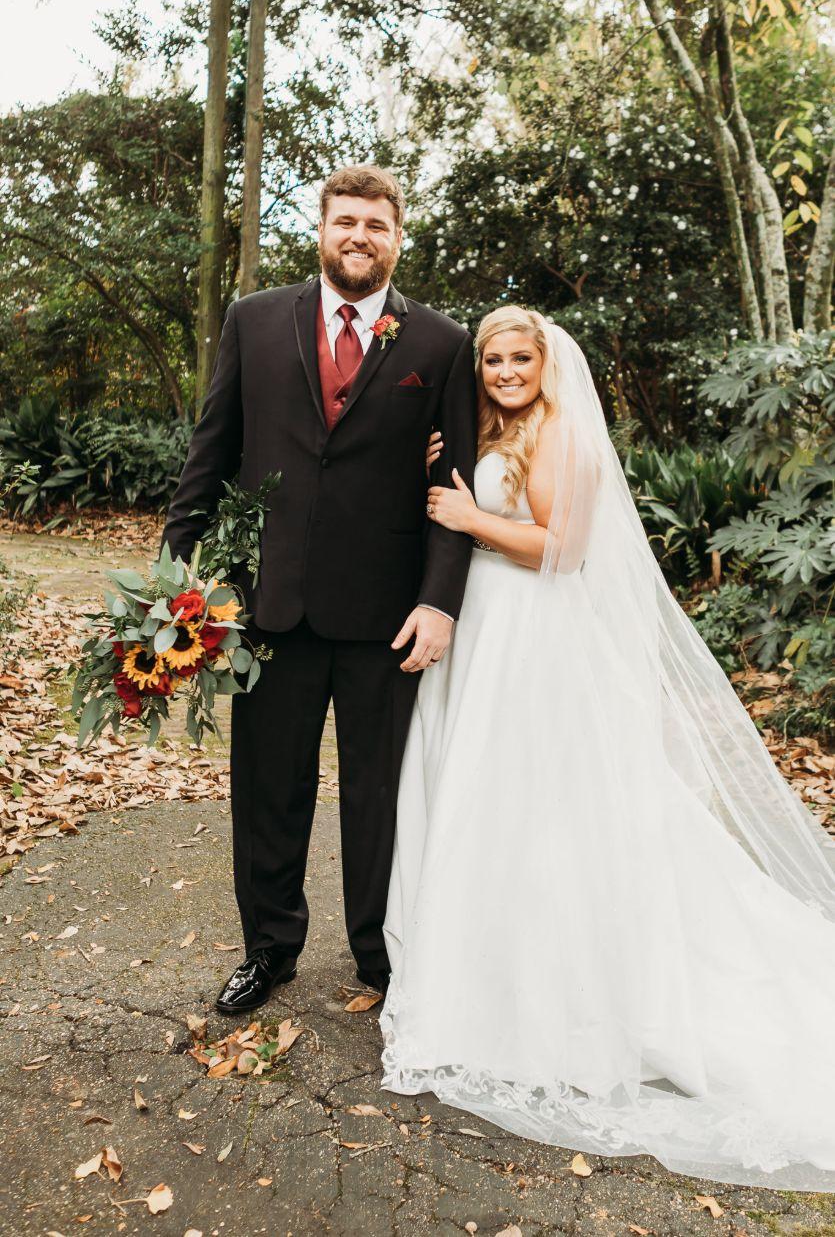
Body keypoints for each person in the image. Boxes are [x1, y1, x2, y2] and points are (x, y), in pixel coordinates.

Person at [381, 304, 835, 1191]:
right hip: (486, 638)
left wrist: (470, 517)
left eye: (519, 359)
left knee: (541, 811)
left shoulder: (561, 436)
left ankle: (553, 994)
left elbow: (563, 549)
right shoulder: (489, 430)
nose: (505, 372)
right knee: (487, 807)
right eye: (492, 361)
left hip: (534, 641)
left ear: (545, 363)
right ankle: (481, 968)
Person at [161, 165, 477, 1013]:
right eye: (346, 221)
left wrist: (439, 601)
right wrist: (172, 568)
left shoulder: (442, 343)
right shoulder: (255, 319)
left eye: (376, 225)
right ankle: (269, 948)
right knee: (269, 789)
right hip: (269, 604)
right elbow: (212, 447)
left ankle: (381, 956)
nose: (359, 237)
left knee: (380, 796)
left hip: (388, 614)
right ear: (322, 229)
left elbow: (455, 486)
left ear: (397, 238)